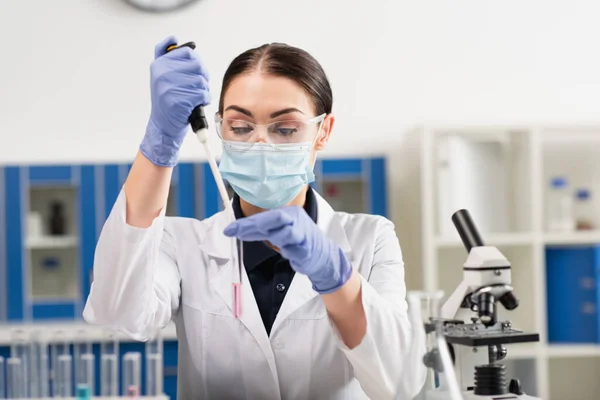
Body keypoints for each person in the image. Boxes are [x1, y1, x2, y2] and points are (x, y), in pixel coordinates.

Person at [83, 36, 422, 400]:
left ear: (322, 131)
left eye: (285, 128)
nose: (260, 144)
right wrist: (161, 139)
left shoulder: (370, 238)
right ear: (220, 128)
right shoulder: (183, 243)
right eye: (240, 127)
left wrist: (336, 278)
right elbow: (119, 312)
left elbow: (399, 383)